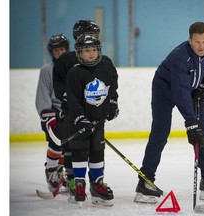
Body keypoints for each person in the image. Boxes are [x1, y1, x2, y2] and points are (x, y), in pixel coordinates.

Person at [134, 22, 204, 203]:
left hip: (191, 91)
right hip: (164, 90)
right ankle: (145, 183)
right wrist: (191, 122)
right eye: (197, 42)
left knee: (203, 134)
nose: (201, 46)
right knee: (160, 134)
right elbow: (180, 91)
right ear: (189, 41)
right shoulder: (180, 56)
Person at [53, 19, 118, 203]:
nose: (90, 52)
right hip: (74, 117)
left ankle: (97, 184)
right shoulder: (71, 66)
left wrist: (112, 104)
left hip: (96, 117)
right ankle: (76, 182)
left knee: (97, 150)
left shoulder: (104, 63)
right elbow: (66, 90)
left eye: (93, 47)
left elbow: (112, 85)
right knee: (75, 150)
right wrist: (78, 114)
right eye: (86, 49)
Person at [35, 34, 70, 192]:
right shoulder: (47, 70)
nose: (60, 53)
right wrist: (47, 115)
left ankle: (60, 171)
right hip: (54, 113)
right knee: (56, 144)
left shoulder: (74, 67)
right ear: (51, 52)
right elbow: (43, 95)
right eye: (56, 50)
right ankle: (51, 171)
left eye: (62, 49)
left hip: (72, 112)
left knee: (68, 146)